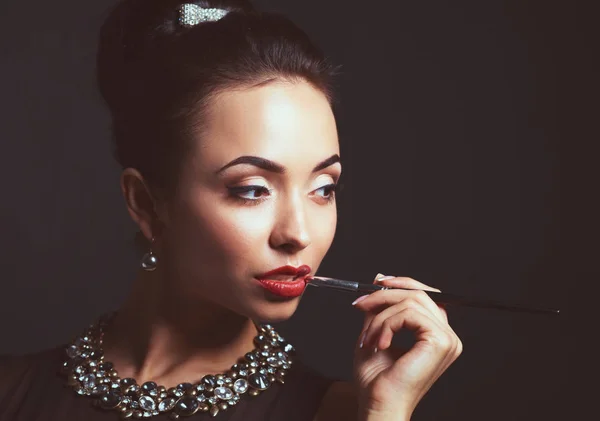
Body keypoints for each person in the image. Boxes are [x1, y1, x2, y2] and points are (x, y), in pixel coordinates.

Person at [0, 0, 463, 420]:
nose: (297, 233)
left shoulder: (350, 412)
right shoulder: (13, 392)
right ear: (145, 202)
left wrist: (386, 411)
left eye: (323, 188)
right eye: (252, 189)